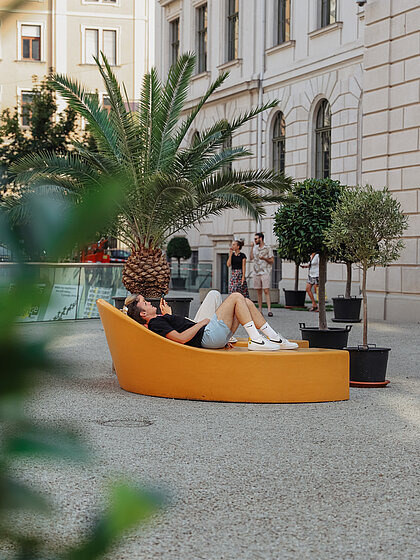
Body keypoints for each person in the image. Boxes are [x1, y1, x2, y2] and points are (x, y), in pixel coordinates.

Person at [124, 291, 298, 351]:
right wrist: (201, 323)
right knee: (236, 297)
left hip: (211, 337)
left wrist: (167, 314)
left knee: (246, 302)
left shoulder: (158, 320)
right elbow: (181, 339)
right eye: (145, 303)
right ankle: (257, 340)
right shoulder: (155, 323)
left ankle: (274, 337)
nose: (149, 302)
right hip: (207, 336)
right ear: (143, 314)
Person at [250, 232, 274, 317]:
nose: (255, 240)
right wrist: (252, 247)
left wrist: (264, 258)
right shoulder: (255, 248)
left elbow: (272, 261)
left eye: (256, 239)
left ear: (260, 238)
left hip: (265, 271)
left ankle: (269, 310)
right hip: (256, 272)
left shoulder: (267, 248)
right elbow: (251, 258)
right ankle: (260, 310)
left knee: (266, 290)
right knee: (258, 291)